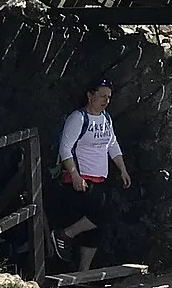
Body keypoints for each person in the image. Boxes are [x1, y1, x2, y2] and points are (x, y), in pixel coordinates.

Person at [53, 80, 132, 271]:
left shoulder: (106, 118)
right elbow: (65, 148)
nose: (106, 100)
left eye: (109, 97)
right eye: (102, 96)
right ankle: (64, 234)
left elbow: (112, 144)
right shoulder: (78, 118)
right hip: (82, 180)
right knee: (106, 213)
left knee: (97, 228)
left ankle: (83, 273)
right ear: (90, 95)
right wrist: (75, 175)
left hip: (100, 178)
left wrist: (122, 169)